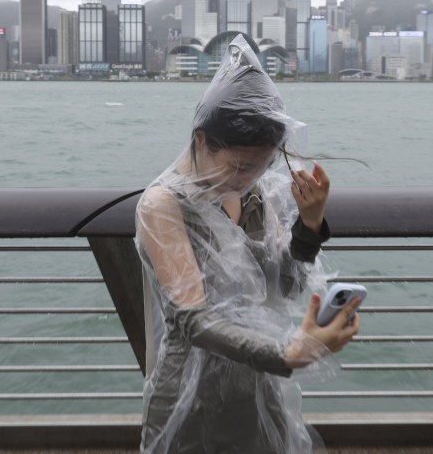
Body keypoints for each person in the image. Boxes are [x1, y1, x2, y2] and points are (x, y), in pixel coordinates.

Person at [135, 35, 361, 453]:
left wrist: (309, 227)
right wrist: (287, 352)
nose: (247, 178)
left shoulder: (256, 195)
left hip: (255, 383)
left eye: (262, 165)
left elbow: (285, 286)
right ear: (201, 140)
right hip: (190, 392)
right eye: (239, 165)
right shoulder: (162, 204)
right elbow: (192, 321)